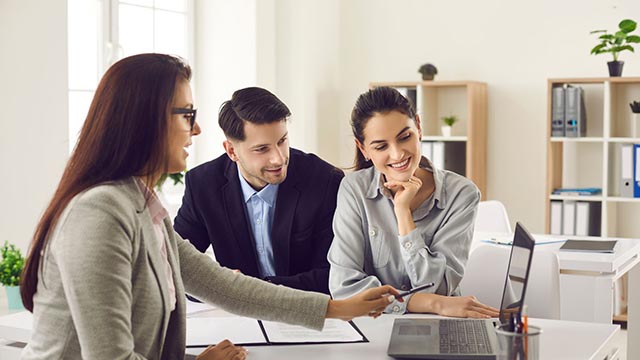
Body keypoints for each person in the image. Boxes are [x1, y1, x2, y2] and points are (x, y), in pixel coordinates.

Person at [19, 54, 399, 360]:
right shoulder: (99, 213)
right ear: (144, 121)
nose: (196, 129)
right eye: (187, 115)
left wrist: (338, 309)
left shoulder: (142, 206)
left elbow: (223, 286)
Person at [327, 86, 499, 318]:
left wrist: (403, 213)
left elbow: (439, 287)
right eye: (381, 146)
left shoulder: (462, 194)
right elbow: (344, 289)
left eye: (405, 137)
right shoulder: (354, 189)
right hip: (375, 325)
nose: (397, 154)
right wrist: (430, 303)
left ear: (418, 127)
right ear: (363, 149)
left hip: (440, 323)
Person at [174, 87, 343, 294]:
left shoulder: (324, 180)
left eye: (282, 141)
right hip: (237, 317)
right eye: (262, 149)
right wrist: (222, 286)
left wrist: (248, 290)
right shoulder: (202, 185)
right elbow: (176, 268)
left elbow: (333, 275)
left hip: (308, 313)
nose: (279, 158)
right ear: (232, 151)